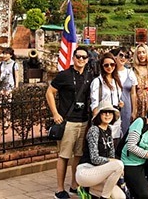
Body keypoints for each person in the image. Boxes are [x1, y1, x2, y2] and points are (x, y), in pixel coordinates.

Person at [46, 46, 93, 199]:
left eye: (84, 57)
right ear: (73, 57)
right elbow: (50, 92)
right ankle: (59, 189)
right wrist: (55, 113)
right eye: (78, 56)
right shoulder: (64, 75)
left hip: (84, 121)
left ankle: (74, 184)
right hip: (68, 121)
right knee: (64, 156)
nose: (81, 59)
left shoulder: (89, 75)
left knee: (78, 155)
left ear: (87, 60)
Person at [76, 101, 125, 199]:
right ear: (99, 115)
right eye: (104, 112)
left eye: (110, 112)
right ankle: (103, 197)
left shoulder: (109, 130)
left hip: (99, 174)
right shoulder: (94, 130)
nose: (107, 115)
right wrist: (113, 162)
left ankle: (89, 191)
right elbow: (94, 158)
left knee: (120, 197)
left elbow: (111, 155)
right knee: (118, 164)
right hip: (86, 171)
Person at [90, 53, 124, 141]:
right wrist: (96, 121)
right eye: (106, 65)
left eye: (112, 64)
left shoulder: (116, 80)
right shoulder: (97, 81)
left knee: (114, 142)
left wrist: (119, 103)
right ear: (102, 66)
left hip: (115, 116)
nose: (109, 67)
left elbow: (117, 96)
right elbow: (94, 102)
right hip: (103, 117)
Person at [112, 48, 138, 135]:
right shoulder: (110, 70)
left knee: (126, 131)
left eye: (126, 56)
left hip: (127, 107)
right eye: (121, 55)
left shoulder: (130, 73)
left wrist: (134, 110)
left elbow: (133, 93)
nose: (123, 58)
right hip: (112, 106)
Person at [132, 43, 148, 121]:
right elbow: (133, 91)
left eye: (143, 52)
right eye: (139, 53)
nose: (141, 55)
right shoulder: (133, 69)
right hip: (137, 100)